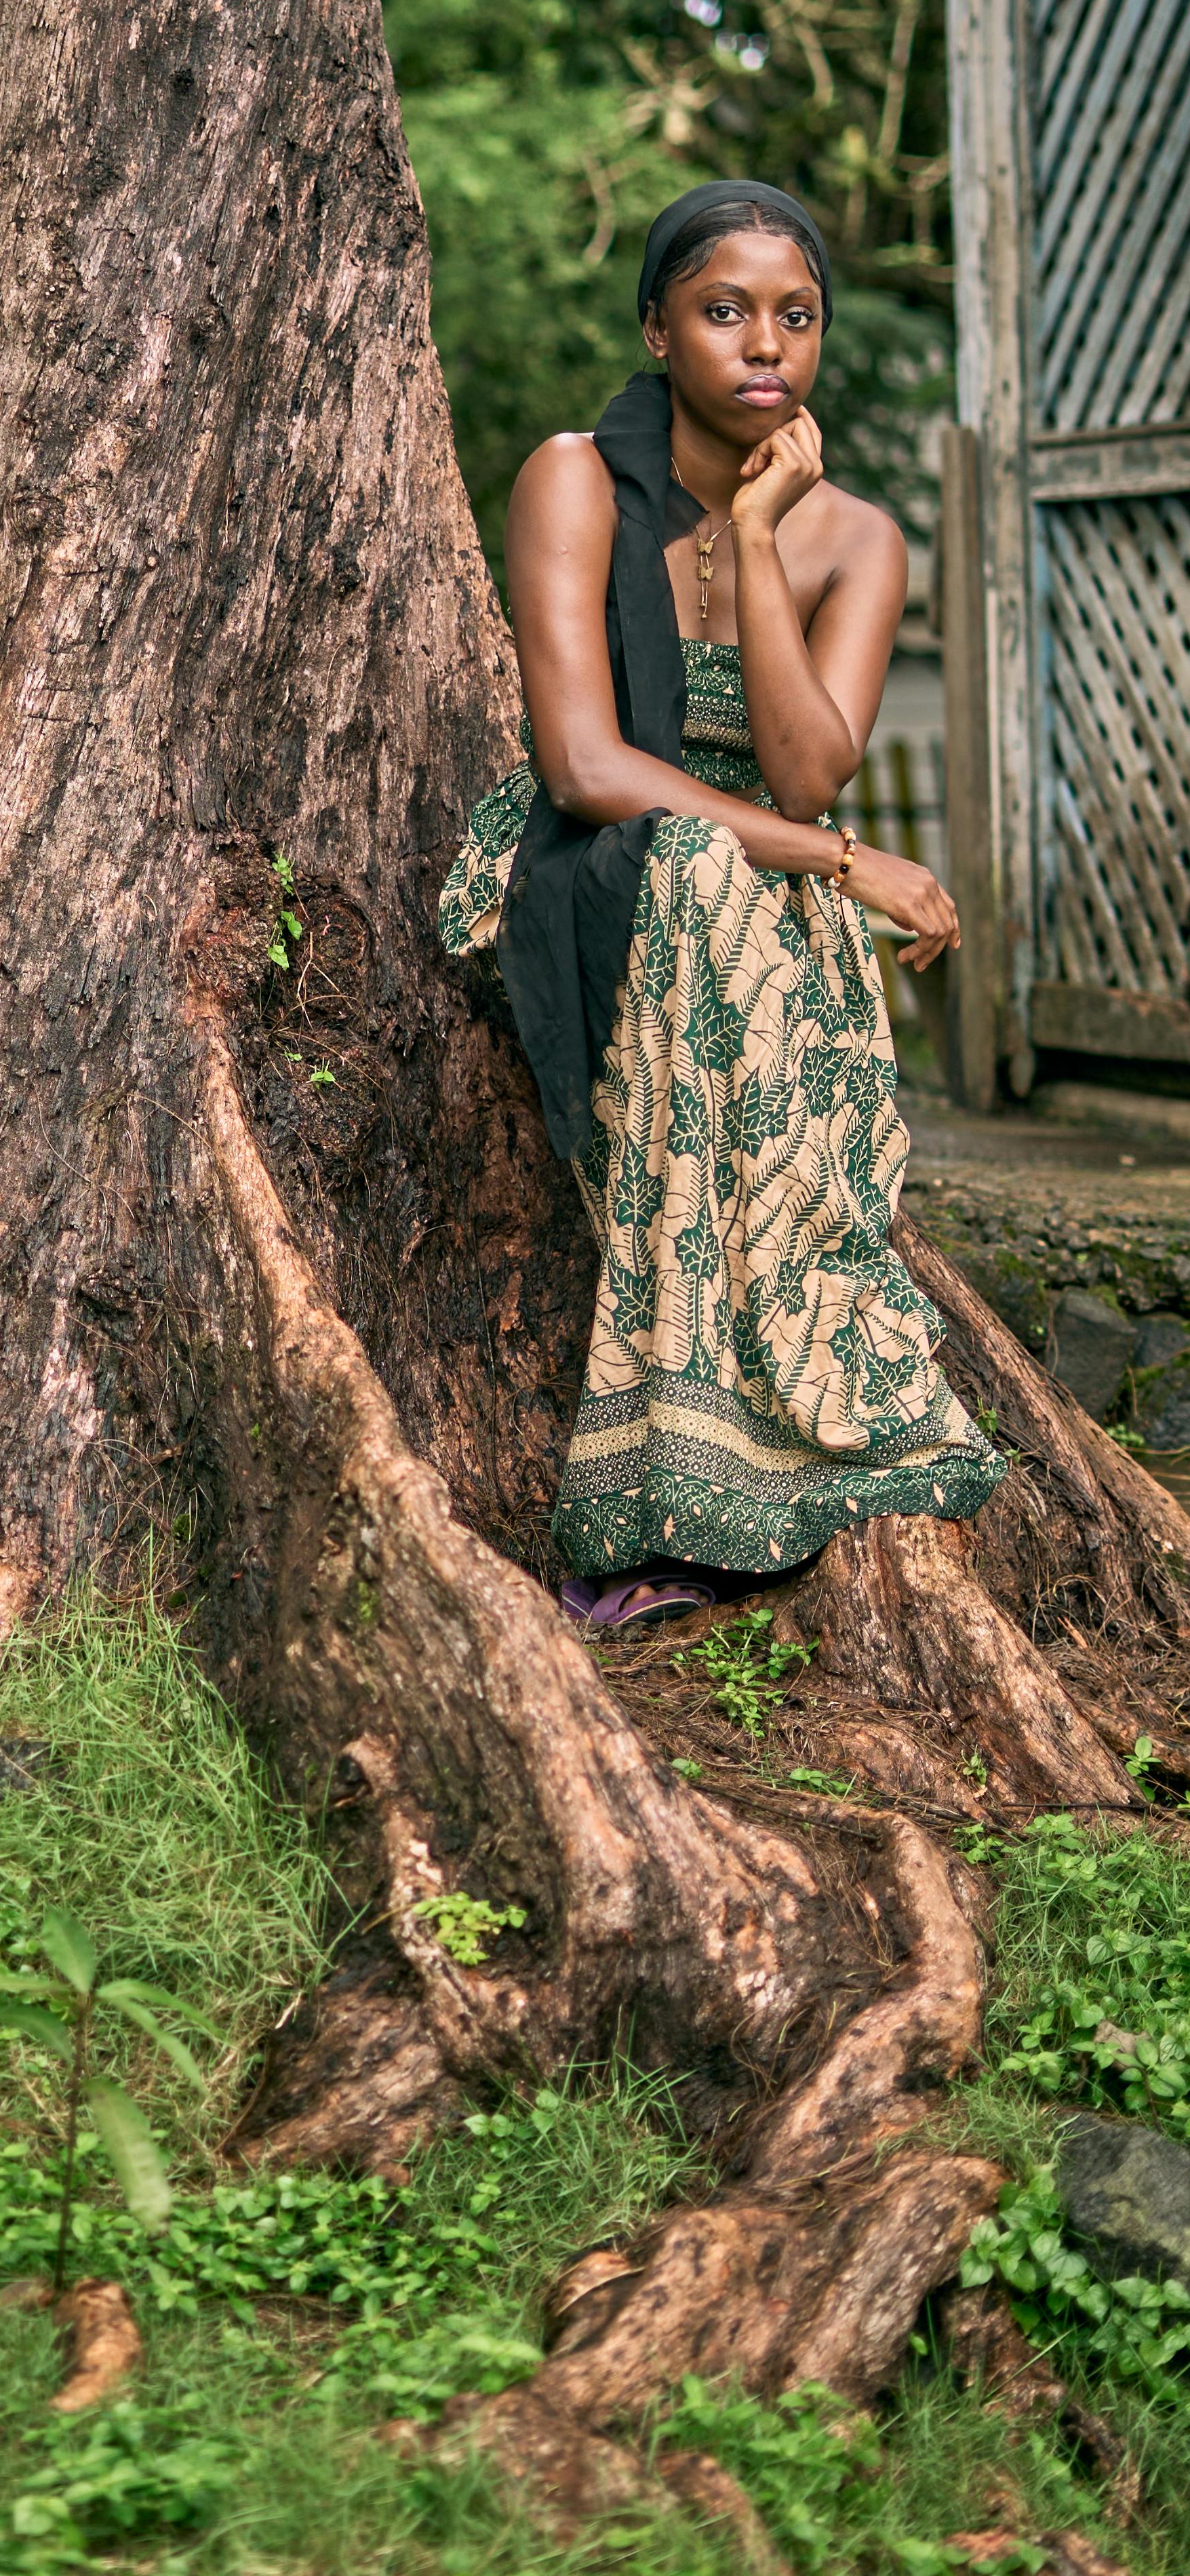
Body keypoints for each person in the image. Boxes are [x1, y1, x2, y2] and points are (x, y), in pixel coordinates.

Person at [439, 178, 1001, 1633]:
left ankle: (785, 1445)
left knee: (726, 889)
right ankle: (665, 1482)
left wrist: (755, 540)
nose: (764, 345)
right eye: (723, 311)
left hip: (766, 896)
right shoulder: (573, 478)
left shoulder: (855, 539)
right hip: (596, 875)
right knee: (695, 867)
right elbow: (582, 763)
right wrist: (842, 864)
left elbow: (809, 772)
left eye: (794, 316)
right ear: (656, 329)